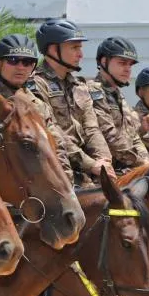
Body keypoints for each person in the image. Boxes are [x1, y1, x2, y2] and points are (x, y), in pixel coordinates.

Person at [0, 33, 75, 184]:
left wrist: (65, 181)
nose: (20, 67)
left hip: (39, 183)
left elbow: (57, 145)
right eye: (13, 60)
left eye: (27, 62)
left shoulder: (37, 104)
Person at [31, 18, 112, 187]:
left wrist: (104, 161)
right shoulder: (36, 85)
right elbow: (51, 133)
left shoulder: (79, 86)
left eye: (80, 48)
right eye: (74, 47)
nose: (81, 54)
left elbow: (92, 129)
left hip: (89, 172)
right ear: (53, 49)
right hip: (57, 174)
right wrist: (92, 165)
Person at [87, 37, 149, 172]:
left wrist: (147, 162)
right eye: (122, 63)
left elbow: (133, 135)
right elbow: (110, 135)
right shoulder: (93, 91)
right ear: (104, 61)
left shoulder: (118, 94)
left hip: (127, 169)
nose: (127, 69)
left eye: (130, 65)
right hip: (104, 172)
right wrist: (141, 164)